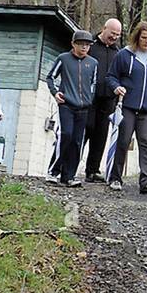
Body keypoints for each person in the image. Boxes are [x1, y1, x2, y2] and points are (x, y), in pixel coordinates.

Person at [107, 21, 147, 194]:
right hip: (127, 107)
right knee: (123, 141)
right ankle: (115, 178)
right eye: (144, 38)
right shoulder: (124, 55)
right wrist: (116, 87)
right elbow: (111, 77)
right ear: (137, 37)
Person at [46, 30, 100, 186]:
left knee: (77, 142)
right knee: (66, 136)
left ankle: (69, 176)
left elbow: (94, 84)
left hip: (83, 108)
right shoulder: (63, 59)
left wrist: (89, 99)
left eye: (87, 45)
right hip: (66, 105)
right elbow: (50, 77)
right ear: (73, 44)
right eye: (81, 44)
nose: (84, 47)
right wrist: (55, 93)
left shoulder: (93, 63)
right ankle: (53, 171)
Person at [84, 18, 124, 183]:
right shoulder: (90, 46)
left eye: (117, 35)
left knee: (101, 135)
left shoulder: (119, 52)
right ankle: (68, 167)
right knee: (84, 131)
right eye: (112, 33)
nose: (114, 37)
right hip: (88, 98)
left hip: (108, 100)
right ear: (104, 29)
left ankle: (93, 170)